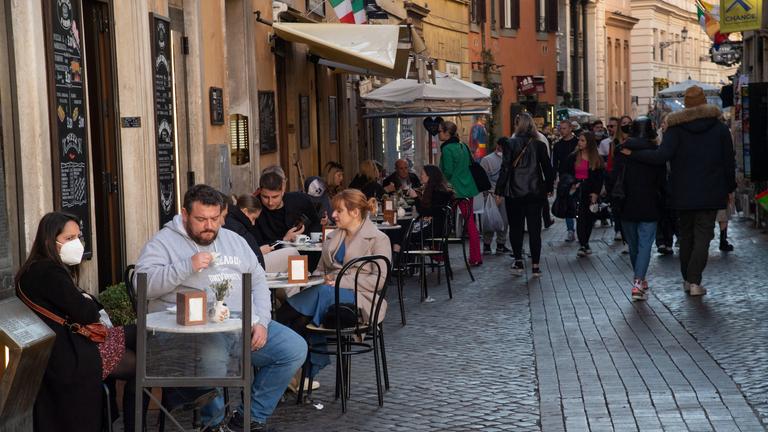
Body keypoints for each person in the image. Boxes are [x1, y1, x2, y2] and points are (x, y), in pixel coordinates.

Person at [135, 184, 307, 431]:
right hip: (191, 335)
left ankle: (247, 419)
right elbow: (143, 287)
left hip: (240, 325)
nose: (209, 226)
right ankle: (212, 425)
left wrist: (261, 321)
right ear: (185, 214)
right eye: (201, 219)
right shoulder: (163, 243)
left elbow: (258, 281)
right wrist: (186, 266)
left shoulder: (233, 240)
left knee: (293, 349)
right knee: (213, 356)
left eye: (215, 219)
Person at [15, 212, 136, 432]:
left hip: (68, 346)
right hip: (70, 355)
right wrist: (86, 300)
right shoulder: (49, 271)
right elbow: (87, 313)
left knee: (140, 334)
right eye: (69, 238)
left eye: (78, 237)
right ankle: (137, 424)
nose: (77, 243)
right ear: (50, 241)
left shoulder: (34, 269)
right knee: (139, 364)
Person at [621, 86, 736, 296]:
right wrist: (730, 189)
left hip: (682, 192)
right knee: (703, 236)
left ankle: (687, 279)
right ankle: (694, 281)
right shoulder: (719, 129)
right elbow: (729, 162)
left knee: (686, 236)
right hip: (711, 191)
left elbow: (660, 157)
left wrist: (633, 155)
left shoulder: (676, 129)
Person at [275, 189, 391, 377]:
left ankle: (279, 337)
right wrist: (313, 278)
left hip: (361, 299)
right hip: (326, 295)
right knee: (302, 318)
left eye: (339, 210)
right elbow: (321, 270)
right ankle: (294, 373)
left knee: (313, 301)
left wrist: (339, 281)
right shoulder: (332, 237)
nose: (333, 215)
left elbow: (378, 281)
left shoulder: (378, 239)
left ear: (354, 212)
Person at [612, 117, 667, 301]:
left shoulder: (622, 151)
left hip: (626, 203)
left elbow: (613, 177)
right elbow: (662, 182)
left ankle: (639, 279)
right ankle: (638, 280)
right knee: (645, 245)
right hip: (650, 203)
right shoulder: (657, 152)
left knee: (634, 245)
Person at [496, 113, 555, 277]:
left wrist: (499, 190)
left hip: (514, 192)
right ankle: (536, 265)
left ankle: (518, 262)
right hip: (535, 191)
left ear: (517, 125)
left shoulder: (510, 144)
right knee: (535, 229)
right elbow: (548, 170)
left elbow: (505, 168)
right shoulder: (539, 145)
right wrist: (549, 187)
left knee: (516, 228)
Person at [438, 120, 483, 266]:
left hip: (453, 190)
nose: (438, 133)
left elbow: (448, 171)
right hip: (468, 188)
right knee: (470, 223)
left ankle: (438, 255)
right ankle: (476, 257)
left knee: (442, 220)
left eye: (440, 131)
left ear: (446, 133)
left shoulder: (447, 149)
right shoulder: (463, 145)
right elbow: (469, 164)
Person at [564, 131, 605, 257]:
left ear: (589, 143)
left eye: (583, 140)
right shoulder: (573, 156)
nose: (580, 143)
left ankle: (585, 242)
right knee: (581, 218)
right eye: (579, 140)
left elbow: (599, 177)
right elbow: (567, 173)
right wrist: (572, 183)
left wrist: (596, 193)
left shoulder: (596, 158)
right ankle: (582, 244)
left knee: (589, 219)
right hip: (577, 191)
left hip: (590, 193)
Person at [256, 171, 322, 245]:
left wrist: (306, 238)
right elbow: (255, 243)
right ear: (259, 191)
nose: (270, 202)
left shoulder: (300, 200)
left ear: (283, 190)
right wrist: (284, 239)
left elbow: (316, 222)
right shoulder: (254, 208)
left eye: (275, 197)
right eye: (265, 197)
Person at [407, 165, 456, 243]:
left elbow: (425, 212)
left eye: (422, 174)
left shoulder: (438, 193)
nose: (420, 176)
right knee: (403, 232)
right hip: (434, 226)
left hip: (434, 229)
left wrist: (416, 198)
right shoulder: (436, 190)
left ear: (429, 176)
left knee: (404, 234)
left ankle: (402, 254)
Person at [480, 138, 511, 254]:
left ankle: (500, 244)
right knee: (489, 220)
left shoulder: (508, 158)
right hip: (491, 194)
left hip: (503, 193)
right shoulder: (487, 160)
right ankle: (489, 244)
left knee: (503, 220)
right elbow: (483, 178)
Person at [552, 120, 580, 241]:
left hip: (578, 176)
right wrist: (555, 179)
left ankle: (581, 230)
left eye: (564, 128)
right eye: (560, 128)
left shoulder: (578, 142)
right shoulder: (558, 145)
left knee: (578, 204)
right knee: (567, 205)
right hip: (564, 179)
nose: (562, 131)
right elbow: (555, 164)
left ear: (570, 129)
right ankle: (570, 230)